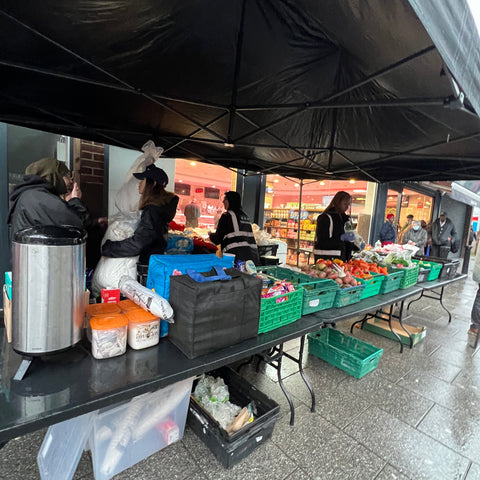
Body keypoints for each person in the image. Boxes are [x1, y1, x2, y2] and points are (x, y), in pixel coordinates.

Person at [101, 164, 179, 265]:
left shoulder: (152, 211)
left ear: (153, 183)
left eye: (143, 180)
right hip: (152, 262)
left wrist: (108, 247)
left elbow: (138, 243)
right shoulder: (159, 209)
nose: (140, 183)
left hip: (146, 265)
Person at [7, 157, 90, 236]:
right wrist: (75, 199)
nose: (71, 181)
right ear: (56, 176)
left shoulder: (31, 195)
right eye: (67, 175)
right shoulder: (38, 197)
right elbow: (77, 225)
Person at [208, 191, 260, 264]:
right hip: (252, 258)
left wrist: (210, 235)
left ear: (230, 201)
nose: (223, 202)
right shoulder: (245, 216)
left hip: (235, 257)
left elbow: (217, 239)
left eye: (225, 199)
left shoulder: (227, 216)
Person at [314, 191, 355, 262]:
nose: (346, 207)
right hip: (326, 259)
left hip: (342, 259)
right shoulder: (325, 218)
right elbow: (322, 241)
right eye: (344, 204)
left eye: (348, 205)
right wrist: (341, 238)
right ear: (337, 202)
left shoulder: (346, 219)